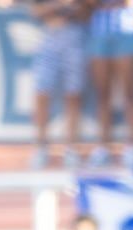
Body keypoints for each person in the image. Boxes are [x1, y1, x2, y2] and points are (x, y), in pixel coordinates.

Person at [30, 0, 91, 170]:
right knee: (42, 93)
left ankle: (71, 147)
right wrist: (58, 6)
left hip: (75, 39)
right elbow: (35, 11)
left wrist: (74, 9)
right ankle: (40, 146)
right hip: (49, 39)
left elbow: (88, 14)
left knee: (74, 94)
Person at [88, 0, 133, 170]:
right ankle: (102, 145)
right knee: (102, 93)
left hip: (127, 29)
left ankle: (132, 145)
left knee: (130, 91)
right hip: (99, 31)